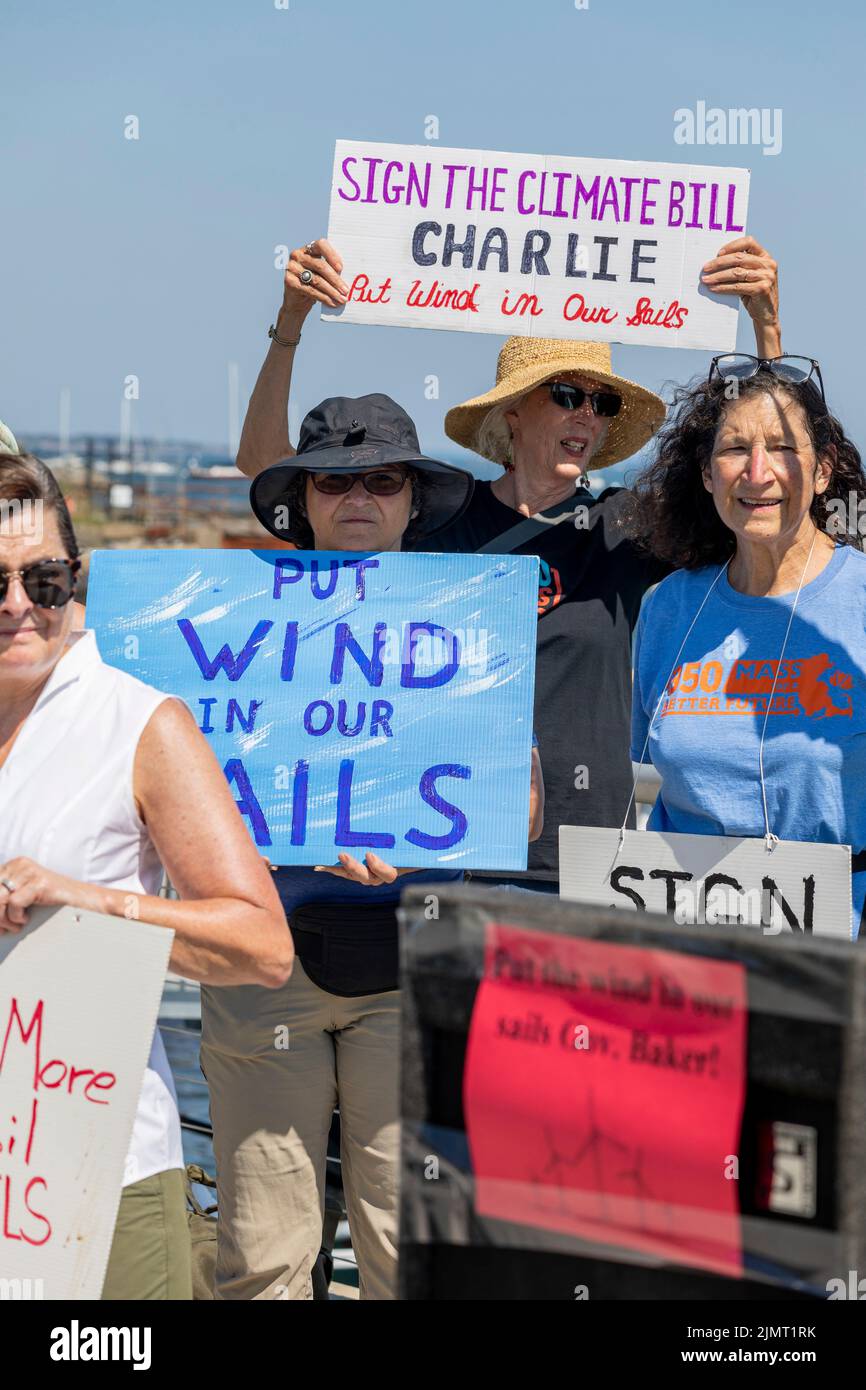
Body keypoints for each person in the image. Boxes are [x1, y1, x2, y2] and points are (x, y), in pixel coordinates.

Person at [235, 234, 781, 891]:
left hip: (587, 864)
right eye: (566, 395)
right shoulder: (434, 516)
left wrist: (767, 328)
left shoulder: (625, 528)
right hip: (443, 859)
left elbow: (766, 497)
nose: (587, 414)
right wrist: (289, 324)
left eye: (601, 403)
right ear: (513, 412)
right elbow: (271, 472)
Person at [206, 392, 543, 1300]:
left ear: (409, 499)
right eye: (333, 480)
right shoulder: (232, 617)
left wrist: (411, 819)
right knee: (262, 1251)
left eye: (383, 479)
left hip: (413, 961)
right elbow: (178, 790)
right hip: (262, 963)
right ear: (305, 500)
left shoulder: (472, 619)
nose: (358, 496)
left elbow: (528, 805)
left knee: (407, 1250)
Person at [0, 451, 294, 1299]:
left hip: (95, 1165)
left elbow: (260, 944)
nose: (20, 605)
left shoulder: (138, 723)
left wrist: (84, 906)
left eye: (44, 578)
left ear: (75, 575)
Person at [627, 355, 866, 936]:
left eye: (783, 447)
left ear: (824, 469)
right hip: (682, 952)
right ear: (707, 474)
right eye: (735, 449)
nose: (757, 472)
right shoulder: (668, 609)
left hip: (833, 962)